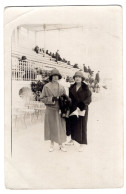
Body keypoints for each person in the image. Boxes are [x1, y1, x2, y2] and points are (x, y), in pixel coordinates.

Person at [40, 68, 67, 152]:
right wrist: (52, 99)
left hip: (59, 110)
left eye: (57, 76)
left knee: (61, 127)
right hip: (50, 109)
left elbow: (65, 99)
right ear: (51, 77)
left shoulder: (62, 87)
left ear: (59, 77)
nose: (55, 78)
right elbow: (42, 98)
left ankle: (61, 143)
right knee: (51, 127)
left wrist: (63, 101)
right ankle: (51, 144)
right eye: (53, 76)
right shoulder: (46, 86)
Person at [66, 71, 92, 152]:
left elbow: (89, 99)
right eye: (76, 77)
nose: (77, 78)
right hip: (73, 109)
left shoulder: (86, 87)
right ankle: (72, 139)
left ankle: (82, 143)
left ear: (82, 78)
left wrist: (80, 106)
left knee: (83, 125)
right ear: (74, 78)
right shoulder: (71, 87)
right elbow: (70, 99)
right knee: (73, 124)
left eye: (79, 77)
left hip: (82, 108)